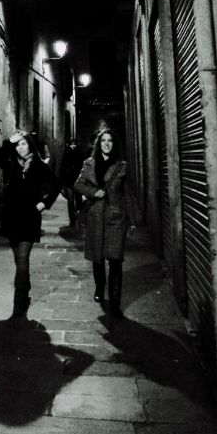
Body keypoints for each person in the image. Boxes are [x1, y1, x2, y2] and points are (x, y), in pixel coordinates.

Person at [0, 130, 61, 317]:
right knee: (18, 260)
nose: (21, 148)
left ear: (30, 145)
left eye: (23, 144)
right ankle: (25, 285)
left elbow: (57, 185)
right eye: (18, 145)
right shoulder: (11, 165)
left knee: (23, 259)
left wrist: (44, 203)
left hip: (30, 218)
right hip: (11, 218)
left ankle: (18, 304)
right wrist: (9, 141)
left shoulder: (39, 166)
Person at [74, 127, 136, 319]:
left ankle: (115, 303)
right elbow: (77, 184)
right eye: (103, 140)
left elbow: (127, 195)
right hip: (95, 216)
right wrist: (93, 193)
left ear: (114, 144)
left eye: (110, 140)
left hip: (116, 218)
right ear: (98, 143)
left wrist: (132, 220)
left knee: (115, 260)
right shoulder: (89, 163)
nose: (107, 143)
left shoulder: (122, 166)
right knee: (97, 257)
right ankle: (100, 286)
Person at [59, 138, 85, 227]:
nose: (73, 146)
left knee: (78, 199)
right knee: (70, 199)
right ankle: (72, 219)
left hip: (78, 180)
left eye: (74, 144)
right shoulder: (66, 153)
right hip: (68, 180)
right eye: (71, 144)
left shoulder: (81, 154)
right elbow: (62, 167)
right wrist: (62, 180)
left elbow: (84, 167)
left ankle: (79, 218)